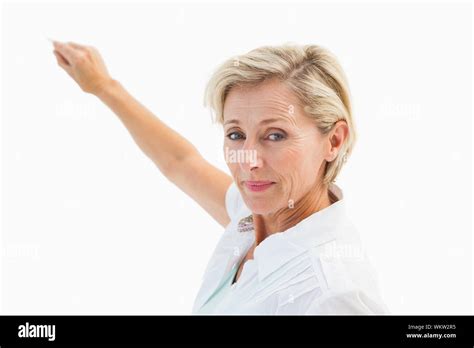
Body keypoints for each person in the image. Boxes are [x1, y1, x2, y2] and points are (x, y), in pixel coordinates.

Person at [52, 41, 388, 314]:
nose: (249, 161)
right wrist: (103, 86)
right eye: (236, 135)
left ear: (333, 140)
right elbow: (180, 162)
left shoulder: (330, 295)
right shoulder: (257, 215)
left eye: (275, 136)